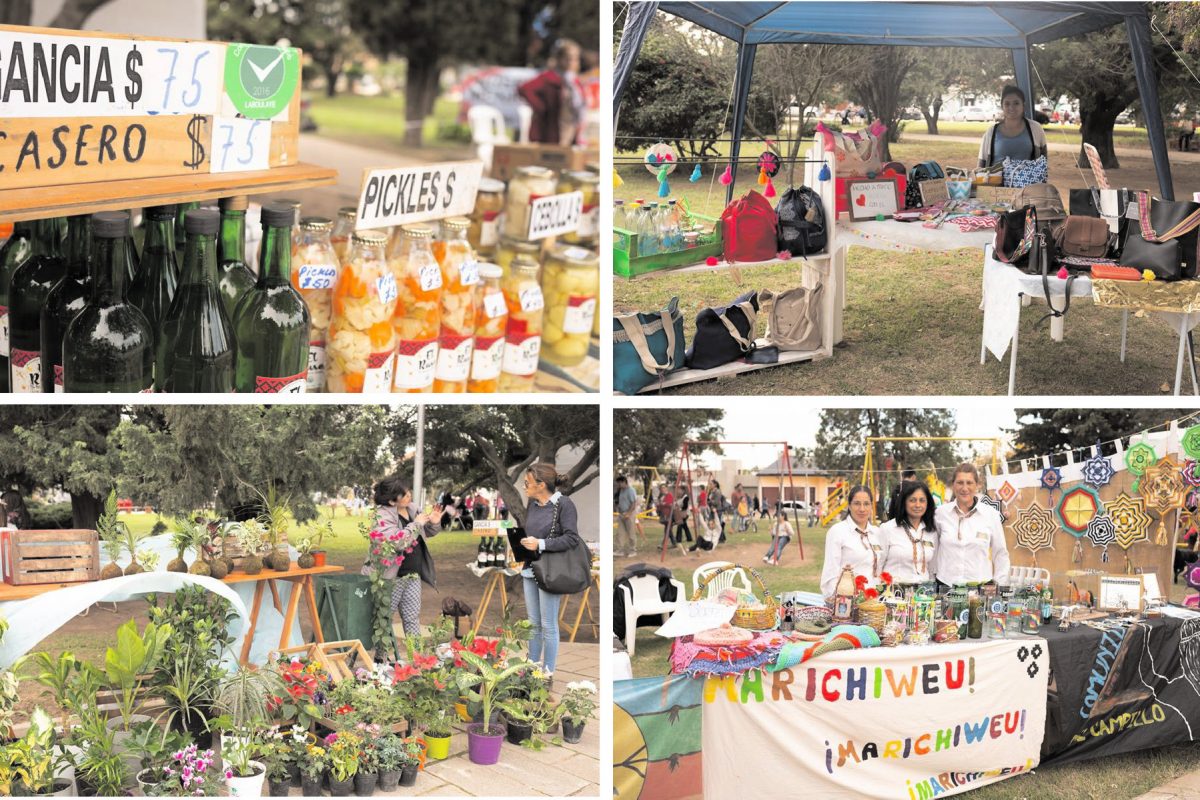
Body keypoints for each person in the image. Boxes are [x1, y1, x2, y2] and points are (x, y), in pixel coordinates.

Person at [517, 463, 582, 683]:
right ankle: (532, 669)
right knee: (533, 623)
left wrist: (541, 544)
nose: (524, 486)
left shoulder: (564, 505)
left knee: (548, 624)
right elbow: (532, 534)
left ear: (541, 484)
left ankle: (547, 673)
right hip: (530, 569)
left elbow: (572, 538)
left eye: (527, 483)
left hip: (551, 572)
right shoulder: (533, 505)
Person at [361, 476, 442, 641]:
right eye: (404, 494)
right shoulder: (381, 517)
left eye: (408, 491)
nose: (409, 495)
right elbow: (398, 542)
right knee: (384, 620)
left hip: (412, 575)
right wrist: (417, 524)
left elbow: (425, 533)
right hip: (390, 578)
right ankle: (380, 662)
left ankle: (416, 659)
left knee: (412, 618)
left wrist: (434, 523)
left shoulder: (413, 509)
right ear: (392, 501)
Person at [934, 463, 1010, 589]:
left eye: (969, 483)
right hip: (945, 586)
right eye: (960, 482)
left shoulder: (990, 515)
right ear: (953, 485)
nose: (964, 488)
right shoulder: (940, 514)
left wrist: (1000, 587)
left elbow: (1000, 553)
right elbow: (933, 552)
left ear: (977, 485)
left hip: (980, 588)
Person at [518, 38, 584, 146]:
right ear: (559, 59)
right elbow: (524, 89)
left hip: (569, 131)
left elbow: (580, 106)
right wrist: (541, 108)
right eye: (567, 59)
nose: (571, 63)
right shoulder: (549, 77)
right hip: (548, 133)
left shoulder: (575, 81)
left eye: (575, 59)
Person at [819, 485, 882, 598]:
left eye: (866, 504)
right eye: (857, 503)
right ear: (849, 506)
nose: (862, 509)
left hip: (873, 602)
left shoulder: (877, 533)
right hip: (846, 601)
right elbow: (830, 574)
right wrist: (840, 603)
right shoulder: (837, 532)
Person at [878, 481, 938, 587]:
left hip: (923, 596)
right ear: (904, 502)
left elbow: (932, 568)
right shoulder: (888, 529)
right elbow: (878, 565)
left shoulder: (932, 531)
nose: (918, 505)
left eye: (922, 500)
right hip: (894, 594)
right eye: (912, 500)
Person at [977, 85, 1048, 169]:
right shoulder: (991, 132)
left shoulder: (1036, 128)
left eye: (1016, 103)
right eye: (1007, 103)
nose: (1011, 107)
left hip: (1029, 182)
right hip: (996, 182)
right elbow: (981, 164)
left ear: (1023, 105)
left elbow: (1043, 161)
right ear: (1002, 106)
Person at [615, 475, 638, 557]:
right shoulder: (621, 490)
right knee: (620, 533)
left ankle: (633, 550)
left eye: (620, 483)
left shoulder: (631, 490)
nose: (619, 485)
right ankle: (619, 550)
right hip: (622, 514)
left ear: (624, 482)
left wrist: (628, 513)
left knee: (631, 532)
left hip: (630, 514)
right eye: (618, 483)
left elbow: (634, 503)